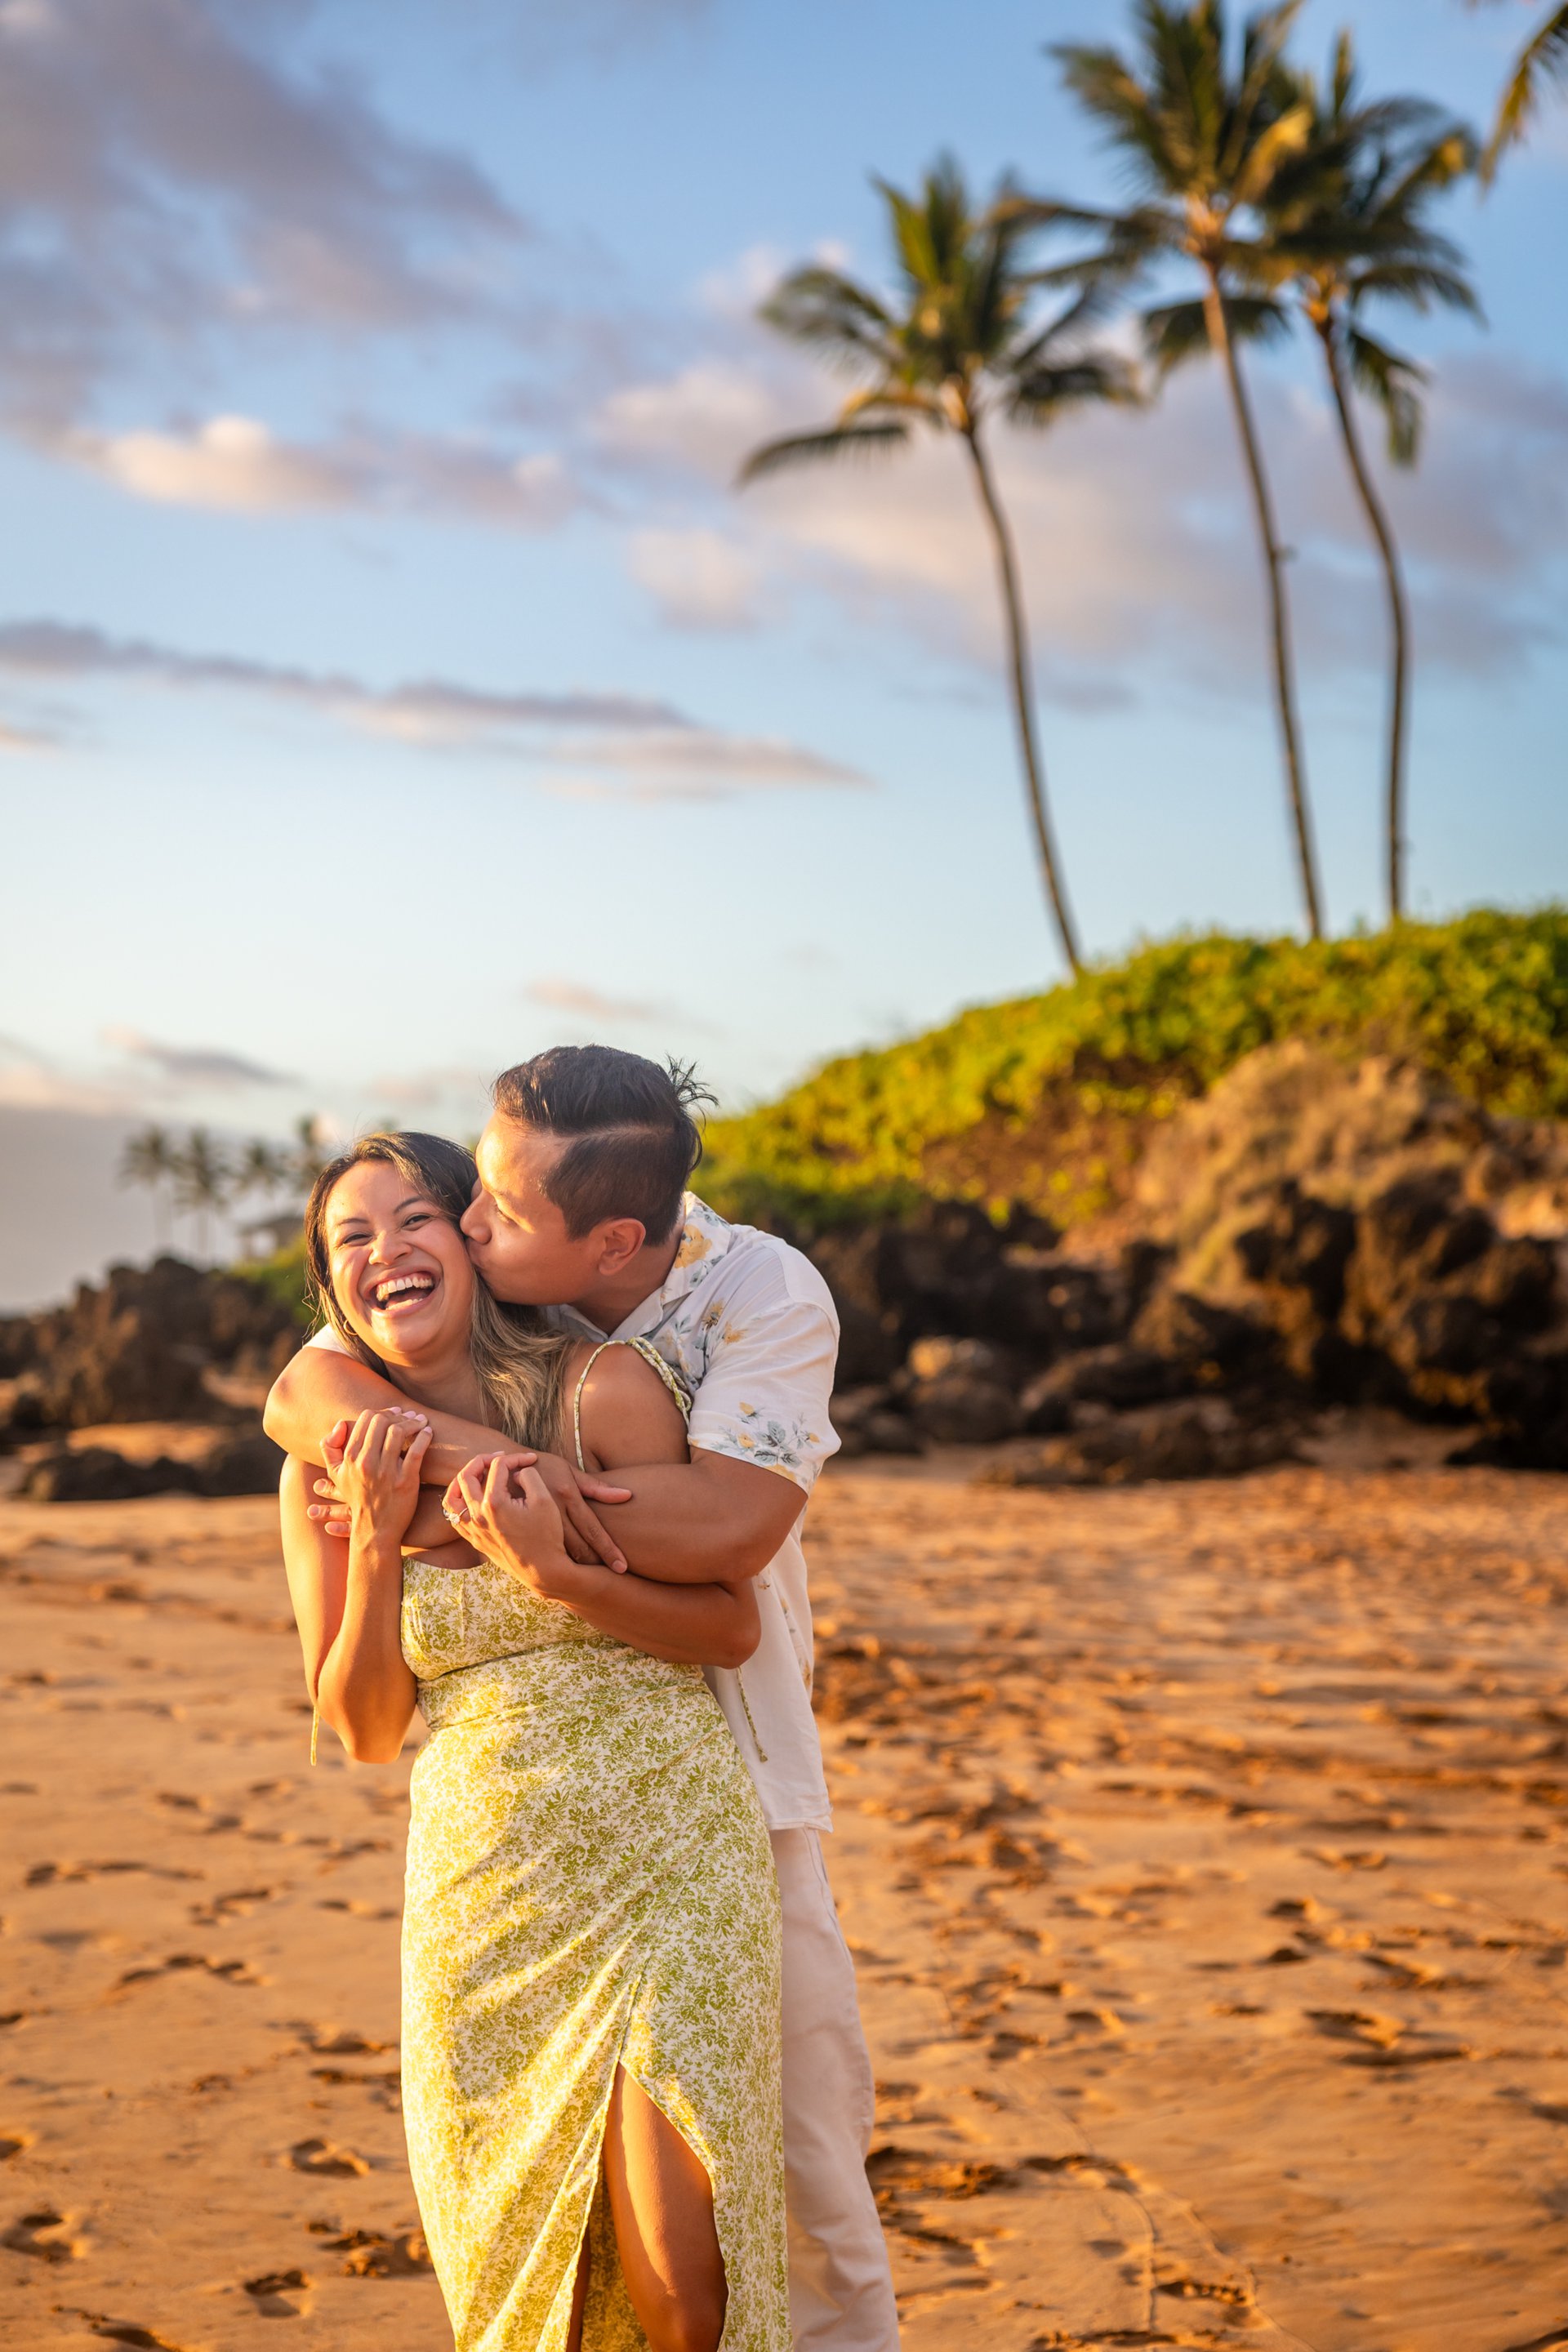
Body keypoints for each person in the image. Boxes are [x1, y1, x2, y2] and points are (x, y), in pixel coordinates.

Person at [265, 1047, 901, 2352]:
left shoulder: (711, 1322)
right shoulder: (355, 1419)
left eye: (453, 1217)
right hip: (488, 1873)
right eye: (358, 1239)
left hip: (700, 1815)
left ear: (596, 1244)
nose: (431, 1239)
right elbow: (364, 1717)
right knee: (517, 2249)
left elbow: (729, 1554)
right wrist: (393, 1524)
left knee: (749, 2221)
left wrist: (542, 1535)